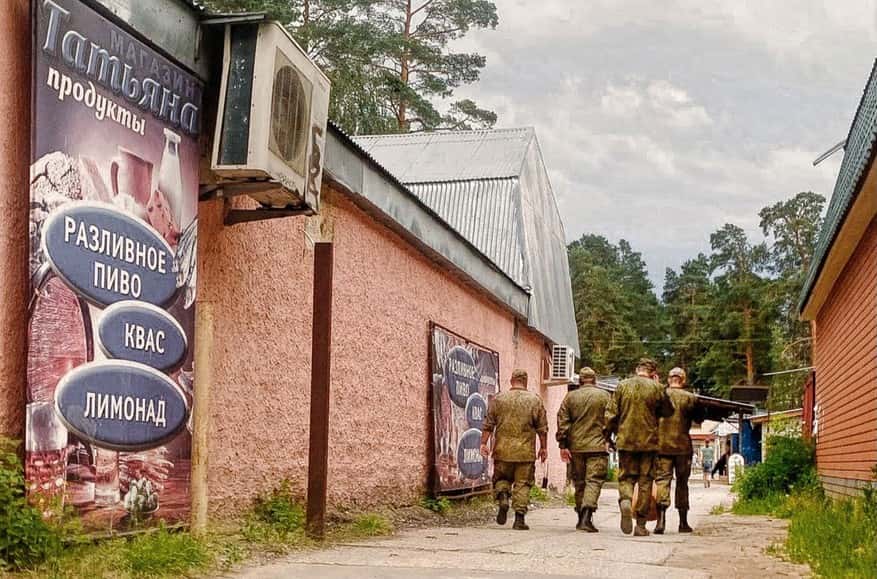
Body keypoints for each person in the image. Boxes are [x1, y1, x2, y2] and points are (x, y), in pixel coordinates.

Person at [604, 358, 673, 536]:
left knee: (626, 477)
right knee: (645, 481)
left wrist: (607, 436)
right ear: (653, 373)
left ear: (637, 369)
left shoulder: (621, 386)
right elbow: (668, 411)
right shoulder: (656, 388)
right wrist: (660, 388)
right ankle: (640, 524)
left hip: (626, 440)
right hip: (648, 443)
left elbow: (611, 414)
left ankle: (625, 500)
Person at [480, 369, 548, 531]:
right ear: (525, 381)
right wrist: (544, 447)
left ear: (511, 380)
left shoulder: (498, 399)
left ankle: (503, 496)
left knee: (501, 479)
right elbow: (542, 428)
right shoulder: (535, 401)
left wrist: (483, 443)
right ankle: (519, 519)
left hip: (502, 451)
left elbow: (488, 424)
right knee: (522, 484)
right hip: (525, 453)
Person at [557, 367, 611, 532]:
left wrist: (563, 445)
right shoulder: (605, 396)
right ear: (594, 380)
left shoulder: (570, 397)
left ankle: (581, 517)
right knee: (593, 481)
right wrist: (609, 439)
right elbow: (612, 418)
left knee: (579, 483)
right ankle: (587, 516)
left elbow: (563, 421)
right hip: (598, 446)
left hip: (576, 447)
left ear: (580, 380)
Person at [654, 367, 706, 534]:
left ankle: (660, 521)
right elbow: (699, 418)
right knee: (682, 484)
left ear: (669, 379)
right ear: (683, 380)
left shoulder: (659, 396)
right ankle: (683, 523)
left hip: (662, 447)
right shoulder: (690, 398)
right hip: (683, 448)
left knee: (662, 481)